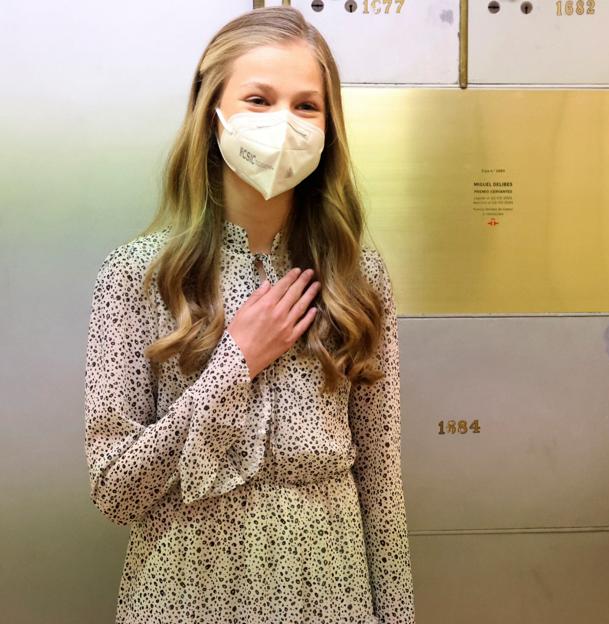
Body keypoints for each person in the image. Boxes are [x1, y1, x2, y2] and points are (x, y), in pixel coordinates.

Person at [83, 6, 415, 623]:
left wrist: (395, 616)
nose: (283, 123)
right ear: (212, 115)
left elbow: (382, 479)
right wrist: (233, 365)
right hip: (184, 594)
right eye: (259, 99)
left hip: (328, 595)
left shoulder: (356, 277)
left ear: (329, 124)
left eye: (307, 105)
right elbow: (115, 489)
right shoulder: (139, 275)